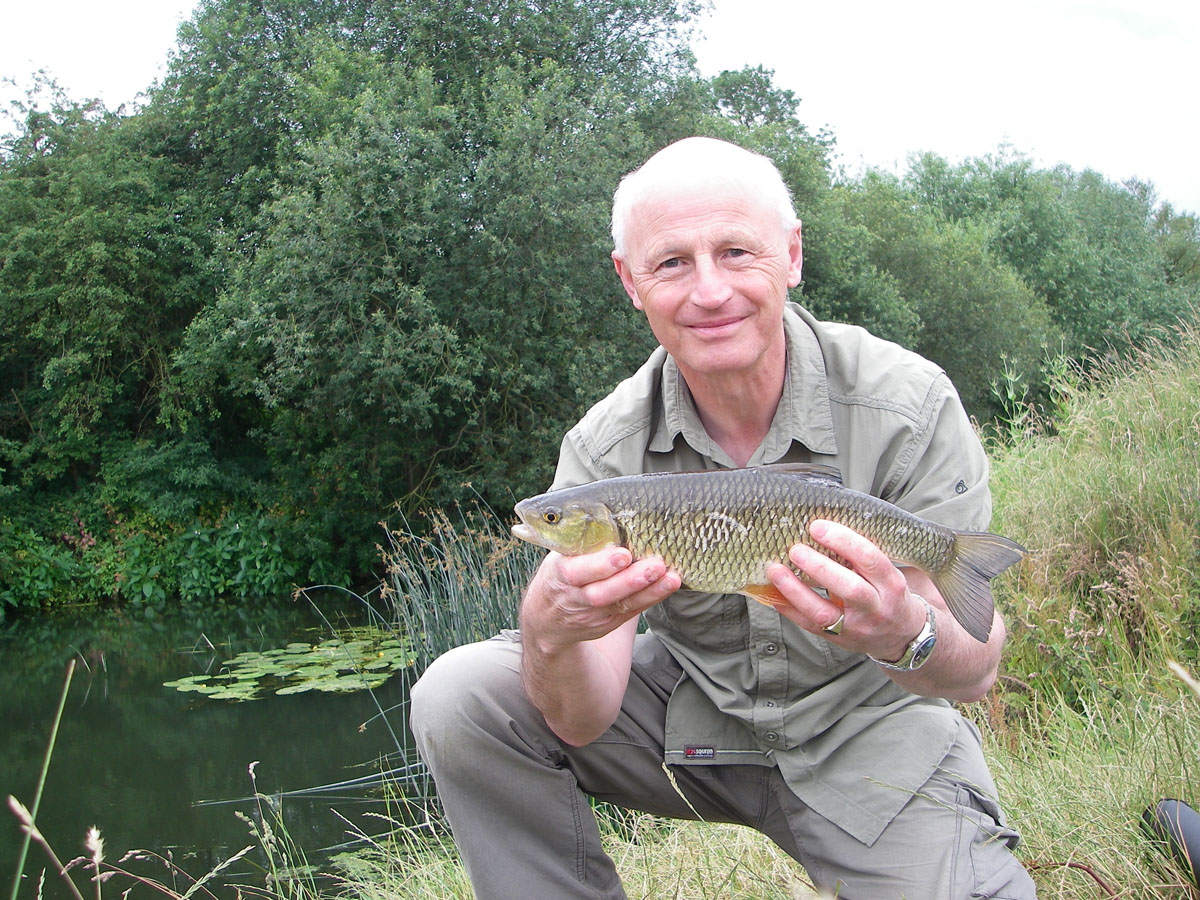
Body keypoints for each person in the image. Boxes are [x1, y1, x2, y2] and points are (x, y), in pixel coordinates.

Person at [410, 136, 1037, 899]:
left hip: (872, 727)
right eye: (672, 262)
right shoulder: (604, 448)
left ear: (792, 255)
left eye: (736, 251)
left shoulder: (908, 402)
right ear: (630, 281)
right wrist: (550, 632)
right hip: (690, 719)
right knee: (461, 692)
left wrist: (903, 629)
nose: (709, 292)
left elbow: (975, 670)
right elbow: (581, 717)